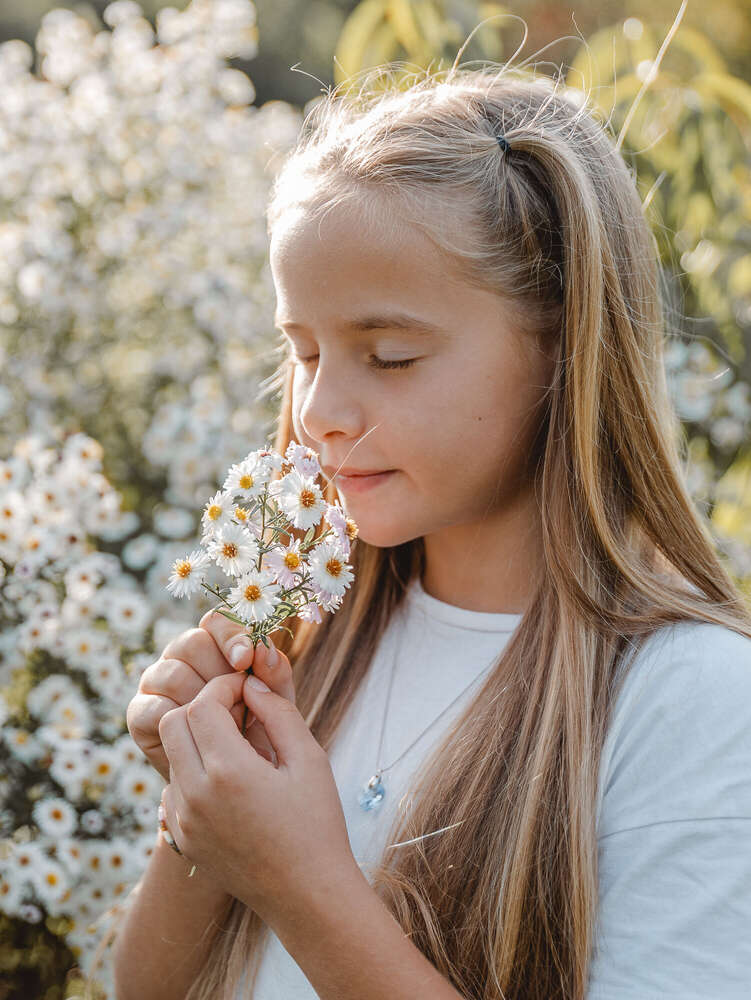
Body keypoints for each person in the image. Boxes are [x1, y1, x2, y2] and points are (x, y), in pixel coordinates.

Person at [113, 63, 751, 1000]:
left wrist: (301, 884)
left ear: (562, 347)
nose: (322, 409)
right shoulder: (309, 648)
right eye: (304, 352)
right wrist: (201, 809)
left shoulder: (688, 702)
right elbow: (145, 988)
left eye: (390, 356)